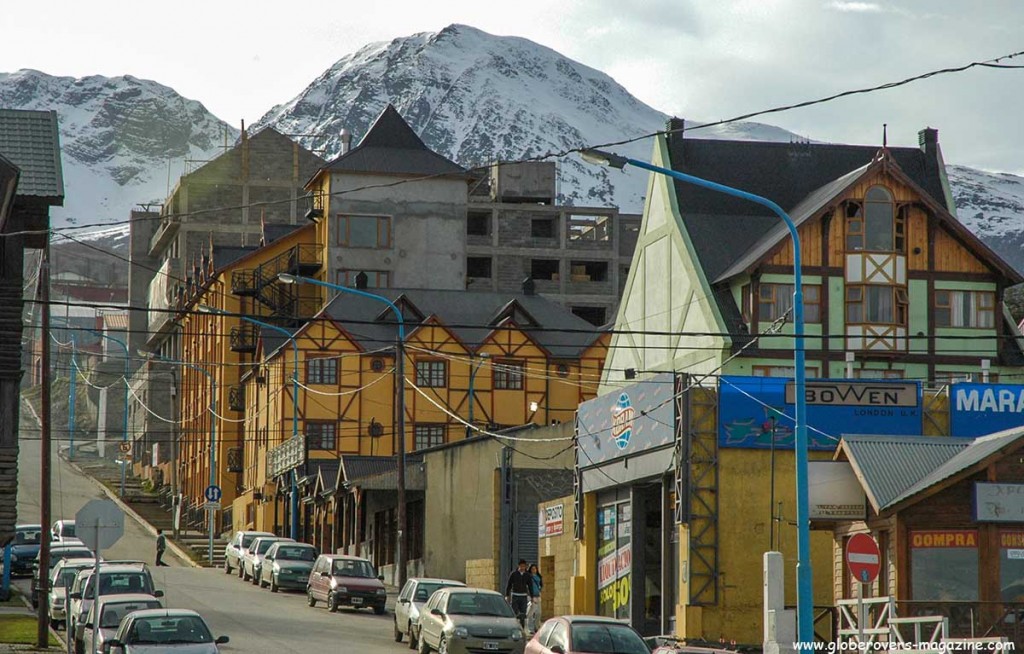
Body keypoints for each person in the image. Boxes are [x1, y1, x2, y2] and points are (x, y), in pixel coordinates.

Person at [504, 559, 530, 627]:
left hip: (523, 596)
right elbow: (509, 585)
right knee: (514, 612)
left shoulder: (527, 575)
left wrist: (532, 596)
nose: (522, 568)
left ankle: (522, 627)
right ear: (518, 566)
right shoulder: (514, 574)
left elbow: (530, 586)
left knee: (523, 613)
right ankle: (514, 626)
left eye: (524, 566)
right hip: (515, 595)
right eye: (521, 566)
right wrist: (507, 595)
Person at [526, 563, 543, 633]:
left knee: (538, 613)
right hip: (531, 596)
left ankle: (536, 627)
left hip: (538, 596)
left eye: (535, 569)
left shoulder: (538, 577)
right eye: (532, 569)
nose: (534, 570)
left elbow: (541, 585)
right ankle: (530, 628)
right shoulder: (528, 577)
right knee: (530, 613)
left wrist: (540, 590)